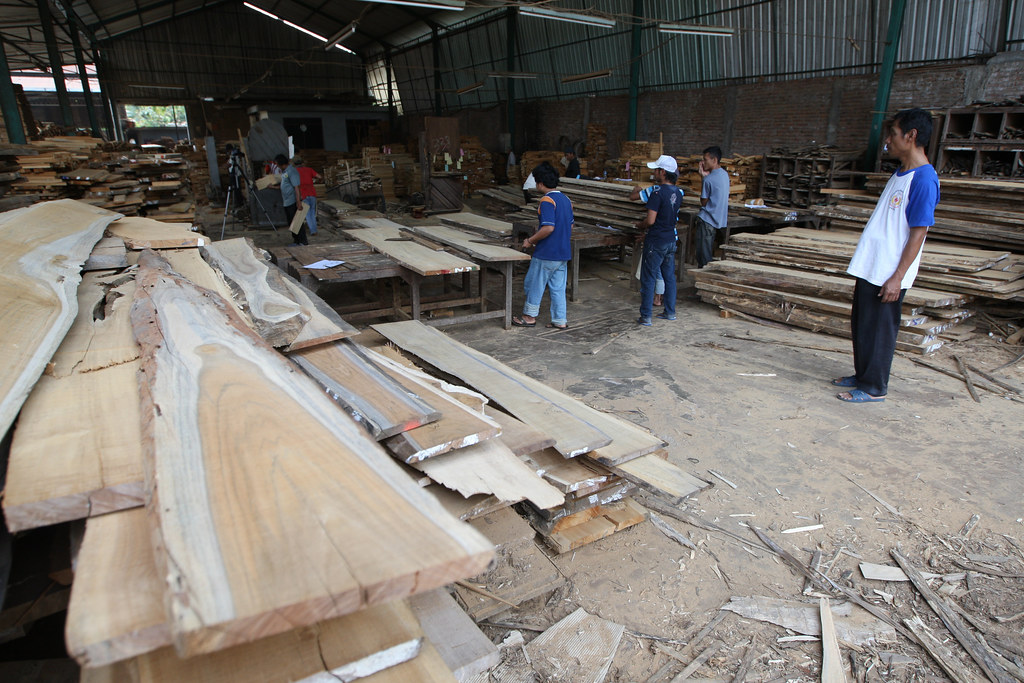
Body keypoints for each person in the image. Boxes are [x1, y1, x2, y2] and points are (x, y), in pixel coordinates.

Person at [835, 108, 939, 403]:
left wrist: (898, 277)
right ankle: (863, 374)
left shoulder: (924, 180)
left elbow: (919, 233)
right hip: (873, 266)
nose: (888, 140)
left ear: (911, 136)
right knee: (864, 325)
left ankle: (874, 386)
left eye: (893, 134)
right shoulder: (901, 173)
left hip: (889, 272)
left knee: (880, 330)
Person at [513, 162, 573, 329]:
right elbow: (570, 226)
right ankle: (560, 320)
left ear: (540, 183)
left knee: (534, 284)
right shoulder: (566, 200)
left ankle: (529, 316)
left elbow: (548, 227)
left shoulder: (547, 201)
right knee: (558, 288)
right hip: (563, 253)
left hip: (547, 252)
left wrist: (530, 240)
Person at [636, 155, 683, 326]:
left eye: (656, 170)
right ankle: (670, 312)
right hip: (671, 238)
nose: (654, 173)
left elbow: (650, 220)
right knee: (669, 276)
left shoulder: (657, 193)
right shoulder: (678, 192)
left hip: (656, 240)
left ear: (663, 172)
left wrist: (640, 225)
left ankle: (646, 316)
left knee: (648, 277)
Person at [695, 146, 730, 268]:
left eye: (705, 160)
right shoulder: (725, 175)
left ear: (714, 160)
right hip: (719, 220)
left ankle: (702, 282)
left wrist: (703, 178)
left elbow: (704, 202)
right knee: (707, 253)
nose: (703, 163)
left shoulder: (708, 179)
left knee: (703, 256)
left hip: (707, 220)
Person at [275, 154, 306, 246]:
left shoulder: (292, 171)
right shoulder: (285, 172)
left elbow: (297, 187)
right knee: (292, 223)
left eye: (277, 163)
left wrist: (298, 202)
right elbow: (285, 186)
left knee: (297, 223)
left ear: (281, 163)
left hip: (293, 201)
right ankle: (296, 241)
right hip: (287, 202)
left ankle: (302, 241)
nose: (276, 165)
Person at [293, 157, 321, 236]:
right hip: (312, 193)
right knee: (312, 212)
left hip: (303, 194)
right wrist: (315, 182)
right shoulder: (309, 169)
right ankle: (314, 230)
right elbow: (319, 177)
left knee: (307, 214)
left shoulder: (294, 172)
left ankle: (312, 231)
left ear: (294, 164)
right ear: (302, 163)